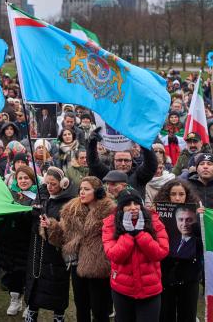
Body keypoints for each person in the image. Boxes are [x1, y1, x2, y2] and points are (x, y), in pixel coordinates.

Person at [41, 176, 115, 322]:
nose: (82, 192)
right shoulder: (71, 210)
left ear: (98, 192)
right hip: (77, 265)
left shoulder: (109, 211)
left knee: (99, 310)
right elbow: (61, 238)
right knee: (81, 307)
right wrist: (50, 226)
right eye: (81, 189)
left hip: (99, 267)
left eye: (86, 189)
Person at [102, 189, 169, 322]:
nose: (133, 208)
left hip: (150, 289)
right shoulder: (110, 224)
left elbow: (161, 252)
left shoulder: (154, 221)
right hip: (122, 290)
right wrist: (128, 235)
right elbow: (114, 255)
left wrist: (140, 234)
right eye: (128, 204)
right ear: (121, 208)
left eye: (136, 203)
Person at [24, 167, 76, 322]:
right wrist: (35, 212)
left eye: (53, 184)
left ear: (63, 183)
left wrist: (50, 225)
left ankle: (58, 316)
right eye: (47, 183)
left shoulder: (69, 202)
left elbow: (68, 230)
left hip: (56, 251)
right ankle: (32, 312)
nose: (50, 187)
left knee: (57, 284)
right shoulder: (42, 196)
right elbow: (33, 220)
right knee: (34, 280)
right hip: (38, 247)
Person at [153, 180, 202, 322]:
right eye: (173, 194)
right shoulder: (157, 216)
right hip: (165, 273)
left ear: (187, 196)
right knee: (165, 313)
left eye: (181, 194)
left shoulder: (196, 215)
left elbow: (202, 244)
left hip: (190, 275)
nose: (177, 198)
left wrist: (199, 221)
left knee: (187, 314)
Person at [0, 166, 37, 316]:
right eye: (20, 178)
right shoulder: (9, 194)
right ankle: (15, 300)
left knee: (26, 273)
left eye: (26, 178)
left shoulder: (37, 196)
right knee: (12, 272)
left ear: (32, 179)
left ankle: (29, 304)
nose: (23, 181)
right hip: (10, 242)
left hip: (27, 242)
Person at [87, 127, 157, 195]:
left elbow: (151, 165)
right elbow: (93, 164)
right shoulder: (106, 174)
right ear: (113, 161)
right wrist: (92, 144)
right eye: (119, 160)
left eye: (126, 160)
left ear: (132, 161)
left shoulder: (139, 177)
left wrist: (145, 144)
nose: (123, 164)